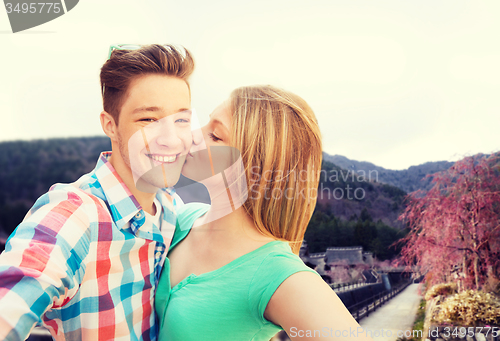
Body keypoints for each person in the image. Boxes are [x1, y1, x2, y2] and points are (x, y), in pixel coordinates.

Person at [0, 44, 199, 341]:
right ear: (111, 125)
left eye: (181, 120)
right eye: (148, 119)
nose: (171, 140)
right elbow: (14, 294)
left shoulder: (169, 207)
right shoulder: (76, 214)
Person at [155, 85, 374, 341]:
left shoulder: (278, 274)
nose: (192, 136)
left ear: (255, 165)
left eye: (215, 135)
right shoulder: (180, 220)